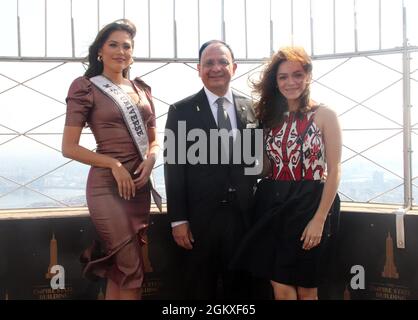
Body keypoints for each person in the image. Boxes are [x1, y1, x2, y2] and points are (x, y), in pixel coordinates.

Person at [231, 46, 342, 300]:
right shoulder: (268, 116)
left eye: (297, 74)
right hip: (272, 200)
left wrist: (319, 219)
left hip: (311, 201)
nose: (290, 82)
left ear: (308, 76)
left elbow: (335, 168)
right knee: (280, 288)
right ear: (275, 81)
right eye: (283, 77)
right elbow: (266, 166)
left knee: (306, 290)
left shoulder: (325, 115)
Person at [62, 19, 160, 300]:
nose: (121, 51)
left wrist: (152, 159)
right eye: (113, 45)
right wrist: (113, 164)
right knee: (132, 269)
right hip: (107, 187)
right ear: (99, 52)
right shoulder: (85, 87)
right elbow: (69, 147)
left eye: (126, 46)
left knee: (121, 269)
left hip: (138, 187)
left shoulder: (142, 90)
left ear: (133, 53)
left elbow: (154, 140)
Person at [164, 40, 259, 299]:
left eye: (222, 62)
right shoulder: (180, 111)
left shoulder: (251, 107)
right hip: (199, 220)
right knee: (199, 287)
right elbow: (174, 168)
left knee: (240, 288)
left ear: (234, 67)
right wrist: (178, 219)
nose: (216, 68)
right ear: (199, 69)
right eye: (209, 63)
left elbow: (257, 163)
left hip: (243, 218)